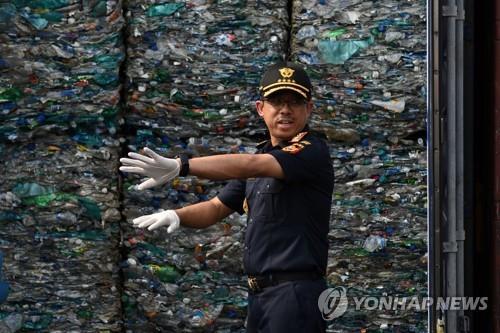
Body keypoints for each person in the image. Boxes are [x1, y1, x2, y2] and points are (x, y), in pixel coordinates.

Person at [119, 62, 334, 333]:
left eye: (294, 102)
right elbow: (215, 207)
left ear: (309, 109)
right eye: (277, 101)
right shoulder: (259, 160)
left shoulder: (311, 152)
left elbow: (252, 165)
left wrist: (182, 166)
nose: (285, 110)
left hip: (295, 294)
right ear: (260, 108)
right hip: (260, 296)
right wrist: (176, 215)